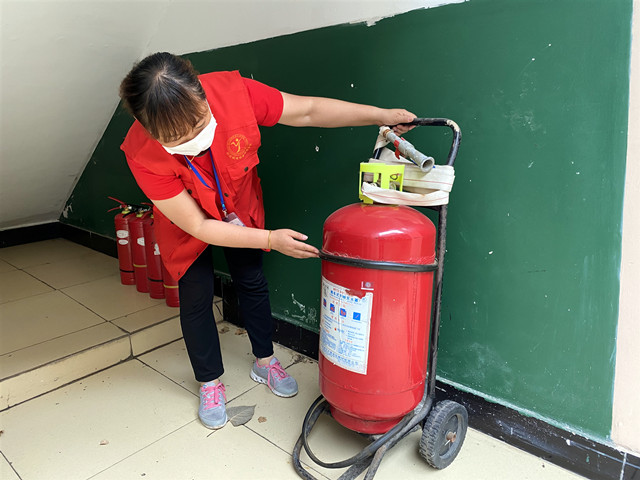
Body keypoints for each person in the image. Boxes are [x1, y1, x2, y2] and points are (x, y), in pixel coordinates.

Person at [119, 52, 415, 429]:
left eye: (199, 123)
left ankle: (265, 361)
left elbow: (308, 111)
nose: (193, 139)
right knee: (195, 296)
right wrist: (270, 239)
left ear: (202, 94)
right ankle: (209, 382)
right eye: (177, 139)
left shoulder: (234, 93)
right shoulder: (141, 152)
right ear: (147, 129)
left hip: (238, 206)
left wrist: (380, 115)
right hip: (186, 224)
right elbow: (198, 225)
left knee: (252, 280)